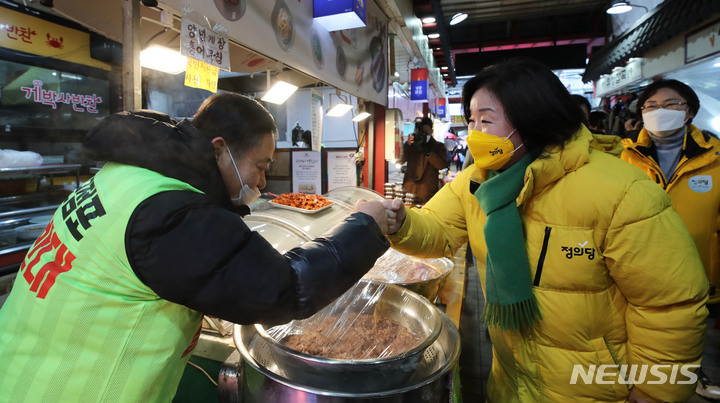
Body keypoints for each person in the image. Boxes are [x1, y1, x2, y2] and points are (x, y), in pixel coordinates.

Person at [0, 93, 390, 402]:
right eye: (260, 164)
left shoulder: (130, 177)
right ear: (219, 148)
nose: (263, 178)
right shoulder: (170, 214)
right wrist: (366, 225)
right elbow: (285, 288)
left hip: (18, 370)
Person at [384, 58, 708, 403]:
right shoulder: (477, 180)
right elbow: (439, 230)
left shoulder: (623, 191)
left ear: (532, 119)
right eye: (473, 120)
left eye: (486, 120)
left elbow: (668, 303)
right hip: (512, 379)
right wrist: (399, 221)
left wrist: (655, 390)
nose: (475, 133)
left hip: (595, 388)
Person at [620, 79, 720, 400]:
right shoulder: (624, 156)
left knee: (697, 344)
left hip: (704, 275)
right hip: (639, 275)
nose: (660, 111)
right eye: (651, 106)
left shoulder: (715, 157)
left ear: (689, 111)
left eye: (672, 104)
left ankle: (697, 378)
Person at [401, 116, 448, 204]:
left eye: (426, 132)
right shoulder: (411, 145)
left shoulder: (438, 146)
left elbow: (442, 165)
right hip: (409, 193)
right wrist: (407, 145)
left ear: (432, 131)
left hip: (427, 194)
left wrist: (428, 152)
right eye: (420, 132)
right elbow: (400, 160)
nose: (423, 135)